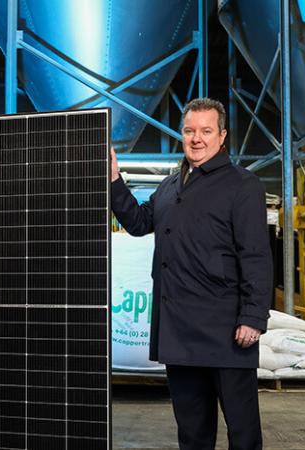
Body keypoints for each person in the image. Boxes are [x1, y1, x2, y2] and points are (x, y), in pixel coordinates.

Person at [110, 97, 272, 450]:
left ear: (222, 136)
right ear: (182, 134)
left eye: (206, 131)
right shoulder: (170, 187)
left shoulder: (243, 185)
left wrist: (253, 316)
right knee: (192, 432)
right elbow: (139, 224)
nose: (196, 138)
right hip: (179, 330)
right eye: (189, 130)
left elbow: (256, 255)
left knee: (242, 432)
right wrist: (113, 180)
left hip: (226, 330)